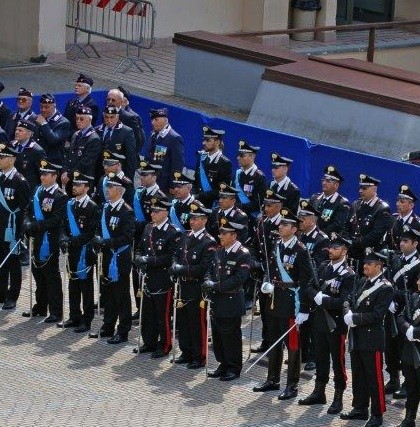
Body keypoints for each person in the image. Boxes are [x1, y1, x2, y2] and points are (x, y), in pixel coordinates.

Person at [253, 208, 312, 399]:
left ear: (294, 229)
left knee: (293, 345)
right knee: (273, 341)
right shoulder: (276, 245)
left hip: (291, 301)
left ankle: (292, 385)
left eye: (285, 225)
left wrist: (304, 308)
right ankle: (272, 379)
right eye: (281, 224)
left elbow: (307, 281)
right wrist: (265, 284)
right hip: (274, 299)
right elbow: (270, 269)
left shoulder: (300, 251)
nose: (280, 227)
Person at [298, 233, 355, 415]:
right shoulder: (323, 266)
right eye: (330, 247)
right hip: (320, 321)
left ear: (344, 251)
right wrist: (315, 295)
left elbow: (345, 301)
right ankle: (318, 392)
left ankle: (338, 397)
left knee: (337, 362)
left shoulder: (349, 275)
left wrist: (325, 300)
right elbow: (308, 286)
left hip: (336, 323)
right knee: (320, 358)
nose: (331, 251)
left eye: (336, 248)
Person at [341, 249, 393, 427]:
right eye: (365, 263)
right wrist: (347, 311)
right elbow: (349, 298)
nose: (365, 266)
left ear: (379, 267)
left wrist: (355, 318)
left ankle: (377, 414)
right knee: (358, 374)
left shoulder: (385, 287)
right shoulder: (363, 281)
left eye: (369, 264)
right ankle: (360, 408)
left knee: (374, 378)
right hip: (356, 336)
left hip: (372, 339)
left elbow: (378, 315)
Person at [203, 217, 251, 381]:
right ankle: (222, 363)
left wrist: (216, 286)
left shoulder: (242, 254)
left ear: (234, 236)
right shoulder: (219, 251)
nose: (220, 236)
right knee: (217, 335)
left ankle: (233, 367)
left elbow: (239, 278)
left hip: (231, 300)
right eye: (220, 233)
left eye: (224, 233)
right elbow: (211, 269)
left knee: (230, 336)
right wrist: (208, 280)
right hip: (217, 300)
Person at [133, 194, 181, 357]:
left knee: (163, 316)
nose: (152, 214)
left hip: (162, 278)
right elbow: (140, 246)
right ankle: (149, 342)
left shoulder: (172, 232)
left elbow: (170, 257)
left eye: (157, 211)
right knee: (147, 314)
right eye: (152, 211)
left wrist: (149, 259)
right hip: (147, 277)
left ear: (166, 213)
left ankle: (165, 345)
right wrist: (139, 257)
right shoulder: (148, 227)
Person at [171, 200, 216, 368]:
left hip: (196, 287)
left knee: (197, 323)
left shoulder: (208, 241)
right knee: (183, 320)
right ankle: (186, 351)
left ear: (204, 220)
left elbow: (204, 267)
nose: (192, 221)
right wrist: (175, 264)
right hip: (183, 286)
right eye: (191, 218)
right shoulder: (185, 236)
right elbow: (176, 254)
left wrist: (183, 269)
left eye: (196, 218)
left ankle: (199, 356)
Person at [22, 159, 67, 322]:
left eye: (46, 174)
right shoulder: (38, 191)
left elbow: (56, 220)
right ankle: (40, 306)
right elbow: (28, 210)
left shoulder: (60, 196)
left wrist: (34, 225)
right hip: (36, 238)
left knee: (51, 275)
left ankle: (56, 311)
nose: (42, 177)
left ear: (55, 176)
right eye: (41, 174)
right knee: (37, 272)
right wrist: (26, 222)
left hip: (49, 239)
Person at [92, 172, 135, 344]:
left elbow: (128, 237)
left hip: (120, 257)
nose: (107, 189)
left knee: (121, 295)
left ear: (120, 190)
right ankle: (107, 325)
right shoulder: (105, 208)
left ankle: (123, 330)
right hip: (107, 256)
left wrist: (107, 242)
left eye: (110, 187)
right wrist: (97, 239)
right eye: (107, 186)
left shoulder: (127, 212)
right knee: (107, 293)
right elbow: (98, 228)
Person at [58, 171, 99, 333]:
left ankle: (86, 319)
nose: (74, 187)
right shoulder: (70, 204)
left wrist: (72, 241)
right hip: (71, 252)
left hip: (85, 252)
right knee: (73, 284)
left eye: (78, 185)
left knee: (86, 287)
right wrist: (62, 238)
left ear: (87, 188)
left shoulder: (92, 207)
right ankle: (74, 316)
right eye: (74, 184)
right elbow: (63, 225)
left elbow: (91, 232)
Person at [385, 226, 420, 399]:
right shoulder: (396, 259)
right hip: (391, 310)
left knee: (405, 347)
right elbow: (388, 281)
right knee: (390, 346)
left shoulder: (418, 263)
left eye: (406, 241)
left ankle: (408, 383)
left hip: (408, 310)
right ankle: (393, 379)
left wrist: (396, 299)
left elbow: (415, 290)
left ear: (415, 243)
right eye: (401, 240)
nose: (402, 244)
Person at [249, 189, 284, 353]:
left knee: (274, 309)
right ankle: (266, 339)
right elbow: (256, 245)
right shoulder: (261, 221)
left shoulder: (283, 224)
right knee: (263, 308)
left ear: (278, 206)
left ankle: (277, 342)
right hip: (264, 272)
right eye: (265, 205)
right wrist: (256, 262)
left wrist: (268, 265)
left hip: (277, 273)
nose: (266, 208)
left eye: (269, 205)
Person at [298, 199, 330, 371]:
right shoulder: (300, 236)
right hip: (300, 285)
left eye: (304, 216)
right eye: (300, 216)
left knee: (313, 324)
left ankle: (314, 356)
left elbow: (318, 265)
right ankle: (303, 353)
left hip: (313, 286)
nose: (300, 219)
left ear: (313, 219)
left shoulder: (321, 239)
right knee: (302, 322)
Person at [131, 159, 165, 320]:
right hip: (139, 241)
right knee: (136, 275)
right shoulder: (140, 193)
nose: (142, 178)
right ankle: (139, 307)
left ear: (154, 176)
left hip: (153, 244)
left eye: (145, 175)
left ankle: (149, 310)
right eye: (141, 175)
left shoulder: (160, 197)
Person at [0, 143, 30, 309]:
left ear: (11, 159)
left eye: (2, 157)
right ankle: (1, 293)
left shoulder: (19, 180)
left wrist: (21, 231)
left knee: (12, 261)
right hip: (0, 226)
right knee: (1, 259)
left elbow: (25, 207)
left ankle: (13, 296)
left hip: (12, 228)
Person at [349, 173, 394, 274]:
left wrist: (356, 242)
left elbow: (376, 234)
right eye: (360, 188)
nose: (360, 191)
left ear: (374, 190)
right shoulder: (356, 204)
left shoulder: (381, 208)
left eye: (364, 188)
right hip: (351, 252)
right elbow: (347, 225)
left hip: (368, 255)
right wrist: (347, 241)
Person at [396, 272, 420, 427]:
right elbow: (401, 317)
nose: (418, 282)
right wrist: (408, 329)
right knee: (411, 386)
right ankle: (409, 418)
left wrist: (416, 333)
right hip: (410, 350)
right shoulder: (414, 297)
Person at [61, 106, 101, 193]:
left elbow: (86, 163)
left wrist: (69, 175)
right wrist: (65, 171)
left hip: (83, 181)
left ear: (89, 120)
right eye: (77, 118)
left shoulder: (93, 138)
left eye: (81, 119)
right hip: (71, 179)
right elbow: (69, 156)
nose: (78, 121)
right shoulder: (76, 135)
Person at [145, 108, 184, 195]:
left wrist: (173, 184)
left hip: (163, 184)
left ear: (165, 120)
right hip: (150, 181)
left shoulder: (174, 138)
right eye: (152, 120)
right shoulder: (153, 134)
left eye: (156, 120)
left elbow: (177, 164)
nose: (152, 122)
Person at [95, 106, 137, 182]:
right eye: (106, 117)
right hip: (98, 172)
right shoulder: (97, 130)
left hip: (116, 174)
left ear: (117, 117)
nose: (109, 120)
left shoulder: (127, 132)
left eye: (112, 117)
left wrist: (128, 178)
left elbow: (131, 158)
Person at [193, 125, 232, 208]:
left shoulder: (225, 163)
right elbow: (196, 181)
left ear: (217, 142)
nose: (204, 143)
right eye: (204, 140)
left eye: (208, 140)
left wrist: (199, 196)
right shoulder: (201, 158)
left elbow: (222, 189)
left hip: (211, 205)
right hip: (196, 202)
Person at [310, 165, 351, 236]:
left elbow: (337, 225)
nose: (324, 183)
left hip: (327, 239)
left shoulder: (342, 203)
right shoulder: (314, 198)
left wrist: (317, 234)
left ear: (336, 185)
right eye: (323, 180)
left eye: (328, 181)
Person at [234, 139, 267, 229]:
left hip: (250, 218)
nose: (238, 158)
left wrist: (241, 206)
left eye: (242, 156)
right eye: (238, 155)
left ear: (251, 157)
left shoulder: (259, 177)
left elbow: (260, 203)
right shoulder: (238, 174)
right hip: (236, 215)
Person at [34, 93, 71, 167]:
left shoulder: (63, 122)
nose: (43, 110)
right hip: (39, 159)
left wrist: (44, 124)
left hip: (53, 162)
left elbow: (53, 140)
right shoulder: (39, 118)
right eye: (41, 107)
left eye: (46, 107)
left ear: (54, 106)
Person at [11, 119, 46, 193]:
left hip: (27, 189)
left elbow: (42, 174)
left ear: (29, 133)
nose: (16, 132)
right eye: (16, 130)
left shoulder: (37, 151)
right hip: (11, 187)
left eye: (20, 130)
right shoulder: (11, 145)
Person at [106, 88, 145, 154]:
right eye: (108, 99)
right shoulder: (105, 114)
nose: (110, 102)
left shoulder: (131, 117)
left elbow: (139, 140)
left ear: (122, 101)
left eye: (113, 100)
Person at [386, 185, 420, 251]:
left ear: (411, 205)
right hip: (394, 258)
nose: (397, 204)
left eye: (402, 202)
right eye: (397, 201)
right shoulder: (393, 219)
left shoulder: (417, 223)